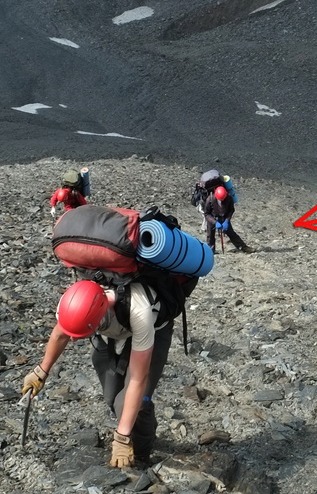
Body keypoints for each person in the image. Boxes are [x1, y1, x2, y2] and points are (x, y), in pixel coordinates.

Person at [21, 277, 176, 468]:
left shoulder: (139, 311)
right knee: (112, 397)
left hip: (150, 331)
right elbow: (60, 334)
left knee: (131, 403)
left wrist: (122, 438)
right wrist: (41, 372)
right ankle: (131, 427)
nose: (74, 340)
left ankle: (142, 455)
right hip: (109, 331)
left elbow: (138, 378)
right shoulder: (76, 302)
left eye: (78, 336)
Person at [201, 184, 249, 253]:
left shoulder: (229, 198)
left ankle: (243, 247)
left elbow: (231, 210)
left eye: (223, 199)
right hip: (212, 218)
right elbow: (206, 213)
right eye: (220, 199)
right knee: (210, 235)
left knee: (231, 233)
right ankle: (210, 251)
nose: (222, 200)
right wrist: (215, 222)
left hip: (224, 217)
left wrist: (227, 220)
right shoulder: (210, 199)